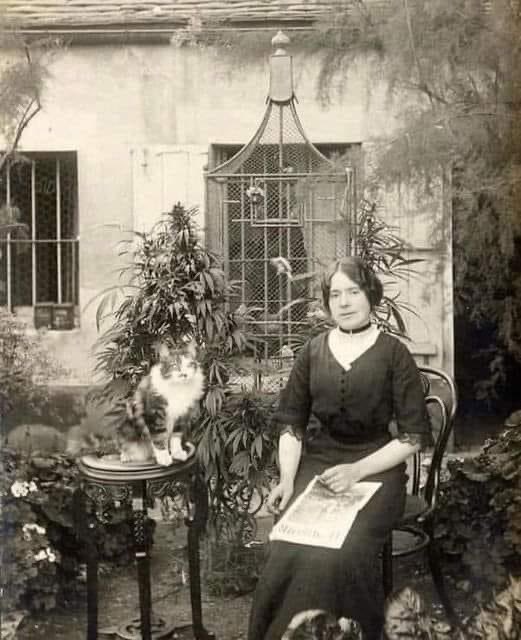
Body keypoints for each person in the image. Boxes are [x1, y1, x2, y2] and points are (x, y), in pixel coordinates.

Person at [248, 256, 432, 640]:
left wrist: (357, 471)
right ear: (327, 302)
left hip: (376, 472)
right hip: (320, 466)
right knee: (288, 543)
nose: (344, 302)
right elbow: (291, 425)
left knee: (340, 552)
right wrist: (285, 480)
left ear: (370, 296)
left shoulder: (393, 353)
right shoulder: (313, 351)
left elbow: (412, 437)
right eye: (336, 294)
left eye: (353, 292)